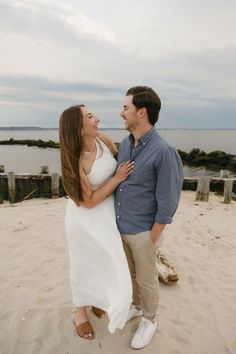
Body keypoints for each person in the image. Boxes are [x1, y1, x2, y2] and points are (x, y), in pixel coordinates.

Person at [115, 86, 184, 349]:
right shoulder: (124, 144)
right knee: (130, 274)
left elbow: (168, 200)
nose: (121, 113)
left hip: (144, 230)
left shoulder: (164, 150)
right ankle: (135, 306)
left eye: (126, 108)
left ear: (141, 112)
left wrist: (152, 236)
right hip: (121, 226)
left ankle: (150, 320)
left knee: (147, 279)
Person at [59, 104, 133, 340]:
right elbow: (88, 200)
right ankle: (79, 312)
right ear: (79, 128)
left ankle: (99, 299)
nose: (97, 118)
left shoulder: (105, 141)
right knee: (83, 264)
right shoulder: (75, 158)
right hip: (84, 220)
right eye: (90, 116)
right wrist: (118, 178)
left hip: (107, 215)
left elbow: (119, 162)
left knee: (106, 260)